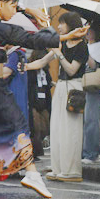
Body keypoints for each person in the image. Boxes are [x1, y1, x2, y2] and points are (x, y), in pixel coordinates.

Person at [0, 0, 87, 197]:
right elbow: (31, 40)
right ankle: (32, 174)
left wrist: (28, 9)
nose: (15, 12)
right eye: (13, 7)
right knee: (19, 126)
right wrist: (66, 36)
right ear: (1, 4)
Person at [25, 11, 89, 182]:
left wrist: (59, 54)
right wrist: (25, 66)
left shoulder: (82, 46)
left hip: (73, 88)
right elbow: (42, 61)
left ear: (71, 25)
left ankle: (71, 171)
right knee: (57, 129)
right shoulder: (62, 43)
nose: (59, 27)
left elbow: (72, 70)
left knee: (70, 131)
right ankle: (58, 168)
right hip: (60, 87)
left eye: (62, 23)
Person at [82, 22, 100, 164]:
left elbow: (95, 65)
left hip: (91, 85)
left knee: (91, 120)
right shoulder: (86, 45)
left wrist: (84, 51)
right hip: (82, 84)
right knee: (83, 121)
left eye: (90, 30)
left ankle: (91, 153)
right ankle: (84, 151)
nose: (87, 32)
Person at [26, 49, 52, 160]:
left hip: (43, 102)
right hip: (33, 102)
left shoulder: (45, 71)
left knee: (45, 127)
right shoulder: (30, 71)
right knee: (35, 127)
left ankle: (37, 149)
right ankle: (34, 152)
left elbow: (48, 85)